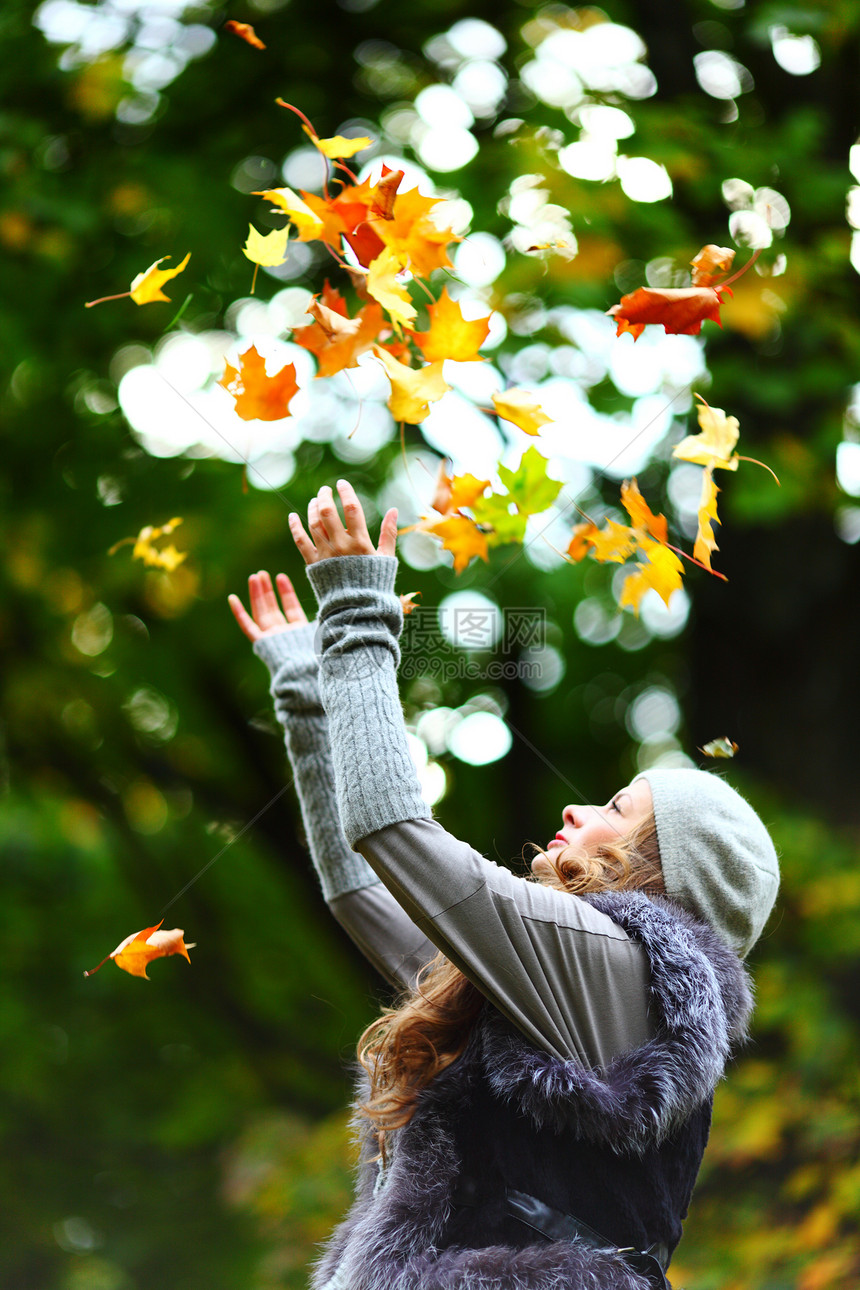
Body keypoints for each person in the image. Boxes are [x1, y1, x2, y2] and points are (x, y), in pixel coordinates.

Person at [229, 479, 780, 1290]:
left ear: (658, 866)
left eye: (616, 806)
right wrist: (309, 696)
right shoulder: (581, 982)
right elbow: (363, 891)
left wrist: (356, 612)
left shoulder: (610, 963)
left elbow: (393, 828)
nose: (578, 807)